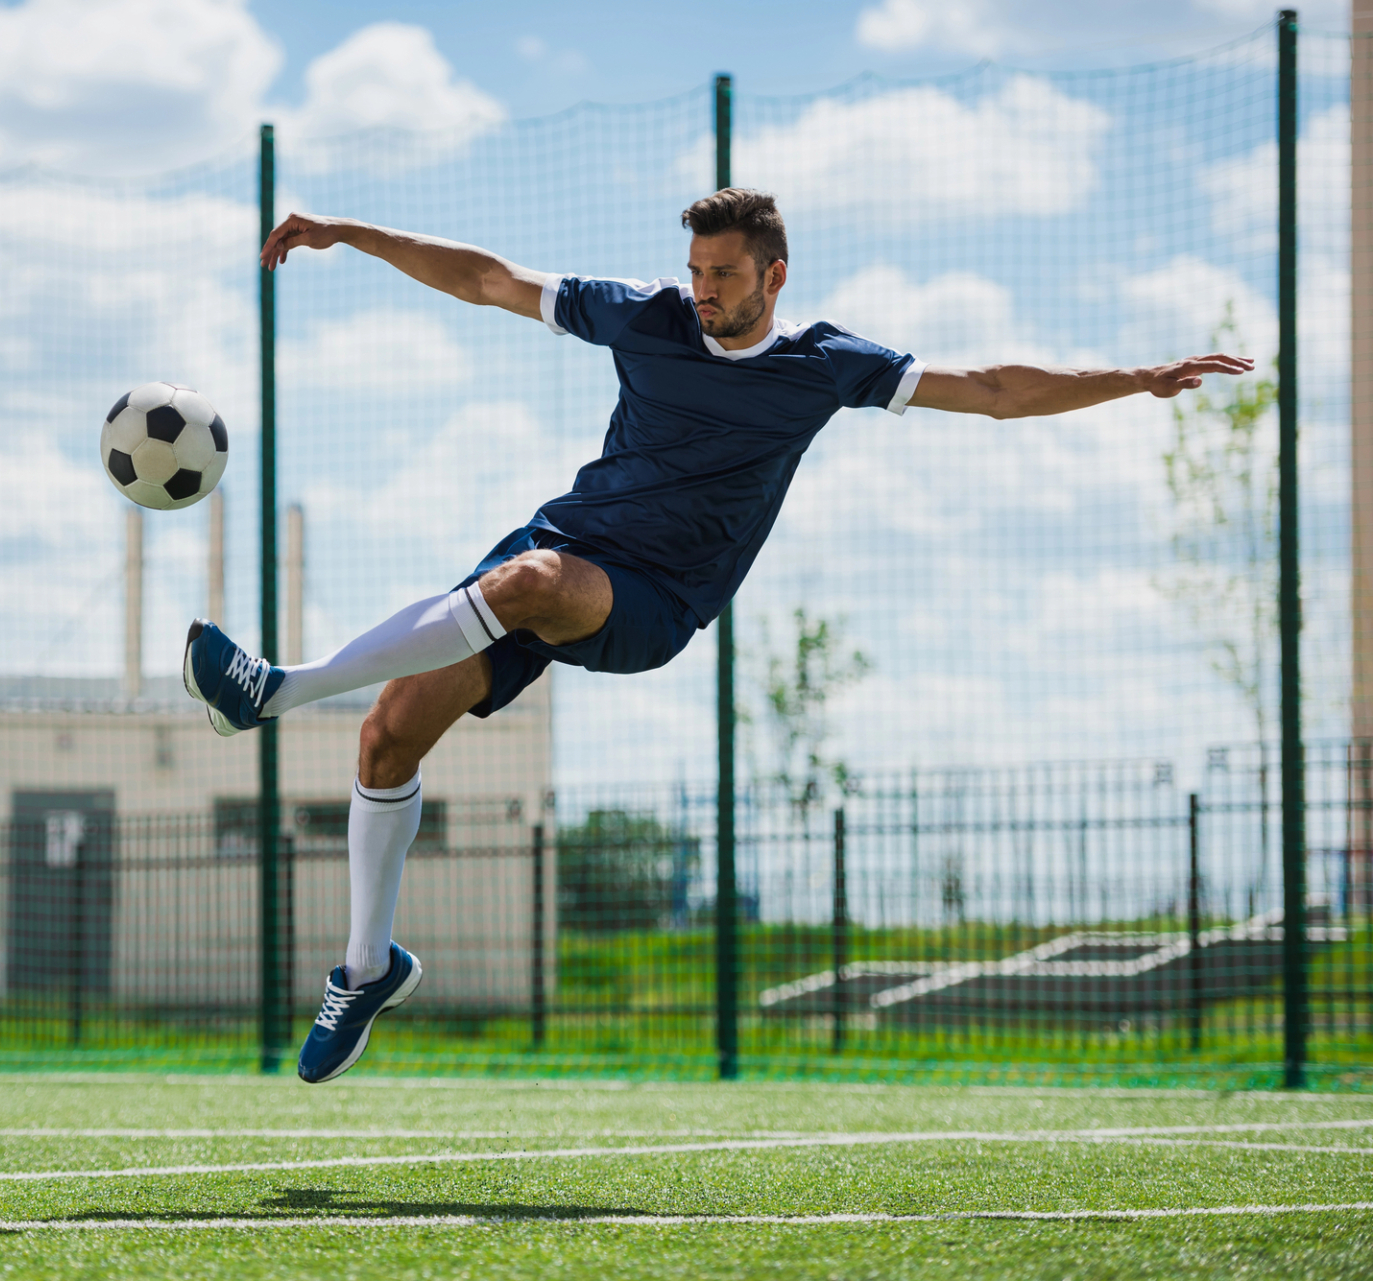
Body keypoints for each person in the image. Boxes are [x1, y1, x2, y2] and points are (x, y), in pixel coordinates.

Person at [183, 188, 1253, 1084]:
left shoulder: (827, 366)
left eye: (724, 276)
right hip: (556, 554)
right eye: (695, 270)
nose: (702, 290)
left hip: (649, 598)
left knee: (526, 582)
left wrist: (1136, 378)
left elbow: (993, 391)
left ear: (774, 275)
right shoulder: (643, 318)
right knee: (388, 736)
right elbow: (488, 279)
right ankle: (367, 967)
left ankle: (275, 690)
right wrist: (350, 233)